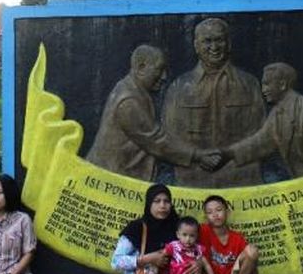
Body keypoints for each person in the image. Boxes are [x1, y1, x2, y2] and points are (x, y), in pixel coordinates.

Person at [87, 45, 219, 180]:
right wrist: (197, 155)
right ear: (141, 68)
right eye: (159, 69)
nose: (164, 77)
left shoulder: (134, 89)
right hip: (110, 180)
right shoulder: (129, 101)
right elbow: (157, 141)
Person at [163, 18, 264, 188]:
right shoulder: (179, 88)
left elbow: (261, 133)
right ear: (196, 46)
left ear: (228, 43)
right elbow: (169, 137)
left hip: (242, 181)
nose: (214, 47)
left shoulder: (249, 84)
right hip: (192, 182)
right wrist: (197, 156)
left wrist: (229, 154)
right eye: (207, 41)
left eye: (219, 40)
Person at [223, 62, 303, 178]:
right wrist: (228, 153)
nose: (263, 90)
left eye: (267, 84)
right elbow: (260, 142)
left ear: (282, 85)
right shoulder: (277, 113)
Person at [112, 184, 199, 274]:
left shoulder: (180, 227)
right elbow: (116, 262)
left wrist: (199, 263)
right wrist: (147, 259)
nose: (162, 205)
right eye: (157, 201)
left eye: (166, 201)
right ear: (149, 204)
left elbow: (195, 250)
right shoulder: (137, 228)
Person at [199, 195, 259, 274]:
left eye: (219, 210)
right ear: (206, 218)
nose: (215, 215)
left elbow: (252, 265)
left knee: (252, 250)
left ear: (227, 212)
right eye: (209, 212)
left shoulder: (237, 238)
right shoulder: (202, 231)